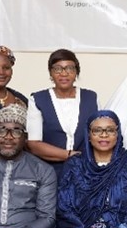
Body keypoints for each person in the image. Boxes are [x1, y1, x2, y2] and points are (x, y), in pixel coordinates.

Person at [27, 48, 98, 178]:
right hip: (48, 173)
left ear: (76, 72)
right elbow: (34, 144)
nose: (64, 73)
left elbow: (96, 134)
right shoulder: (38, 99)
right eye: (58, 69)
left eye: (69, 68)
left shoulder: (90, 97)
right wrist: (71, 155)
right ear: (51, 73)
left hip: (85, 173)